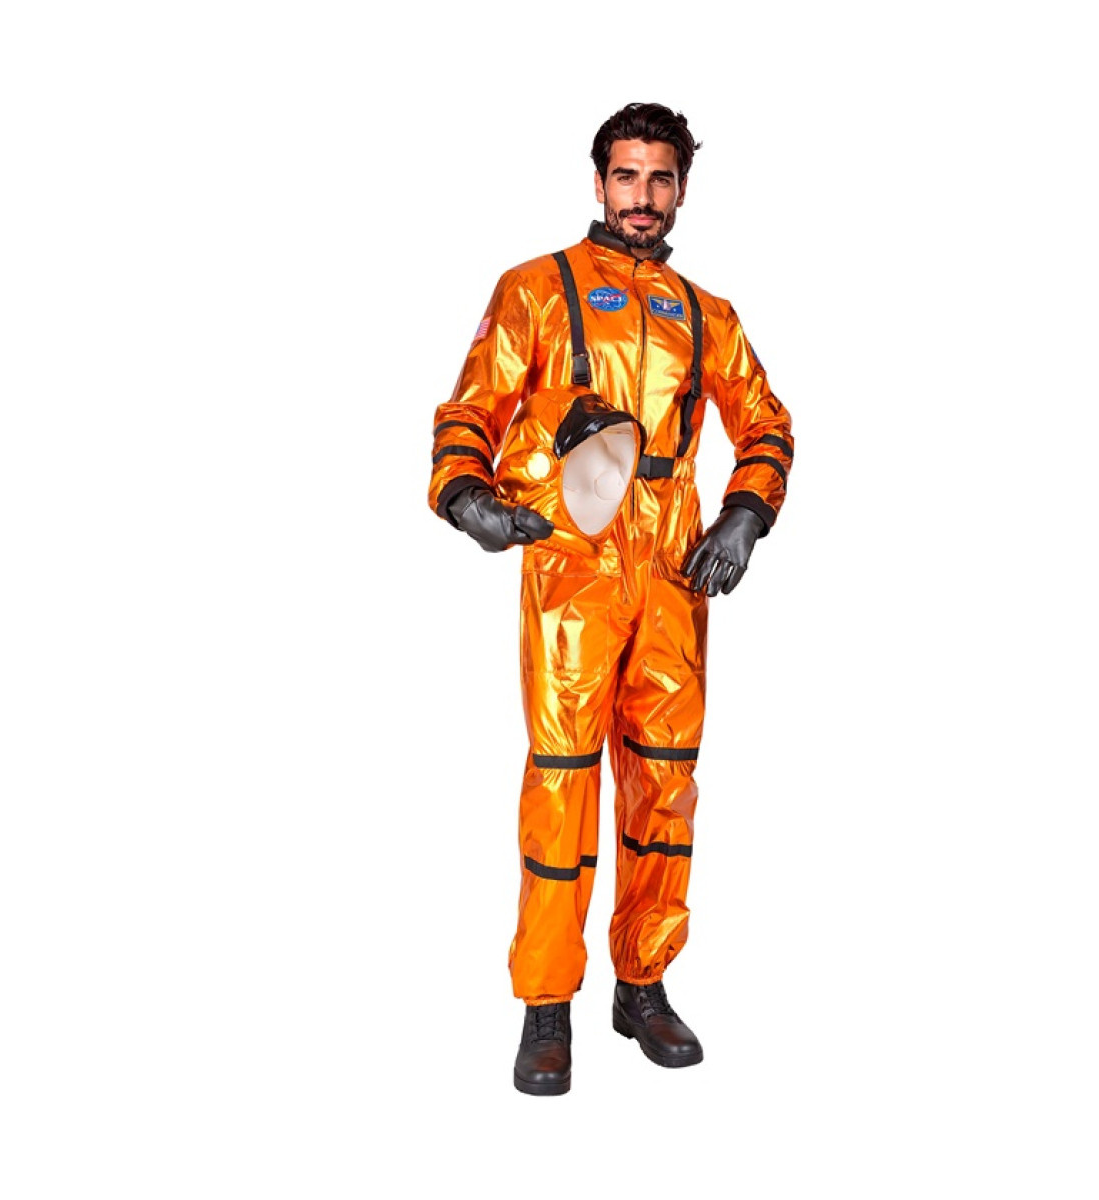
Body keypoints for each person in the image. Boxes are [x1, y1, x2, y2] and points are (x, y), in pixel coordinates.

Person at [427, 102, 793, 1095]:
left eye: (660, 178)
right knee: (562, 779)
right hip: (573, 565)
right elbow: (471, 409)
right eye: (626, 175)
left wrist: (744, 515)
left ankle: (643, 983)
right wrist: (466, 497)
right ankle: (546, 1005)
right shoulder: (535, 291)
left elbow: (764, 424)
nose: (642, 196)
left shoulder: (708, 315)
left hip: (674, 569)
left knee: (665, 781)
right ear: (598, 183)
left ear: (682, 190)